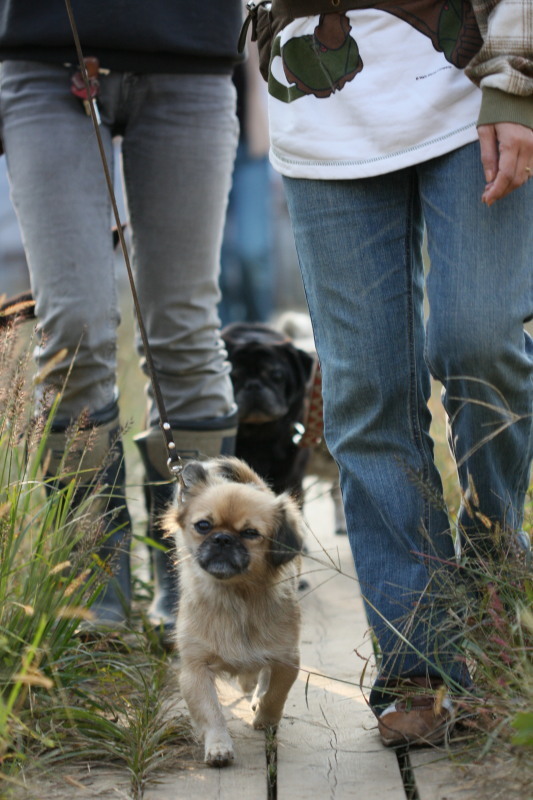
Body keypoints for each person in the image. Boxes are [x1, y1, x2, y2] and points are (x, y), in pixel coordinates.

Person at [249, 0, 533, 745]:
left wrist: (517, 83)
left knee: (481, 344)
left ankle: (498, 592)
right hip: (321, 117)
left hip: (473, 86)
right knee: (366, 397)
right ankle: (417, 662)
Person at [0, 1, 243, 635]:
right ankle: (88, 571)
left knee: (184, 331)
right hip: (41, 58)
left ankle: (194, 572)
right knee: (74, 328)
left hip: (190, 56)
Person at [219, 49, 275, 326]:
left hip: (250, 148)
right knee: (214, 265)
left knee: (253, 252)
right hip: (206, 152)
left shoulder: (247, 8)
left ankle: (259, 332)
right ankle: (222, 341)